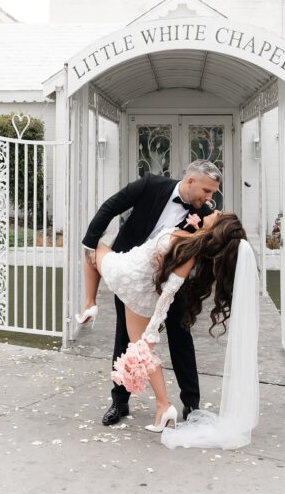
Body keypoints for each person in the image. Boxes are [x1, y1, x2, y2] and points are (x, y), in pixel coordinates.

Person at [80, 211, 260, 449]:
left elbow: (168, 294)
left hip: (128, 276)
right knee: (140, 349)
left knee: (91, 248)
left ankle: (89, 303)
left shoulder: (189, 249)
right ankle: (163, 407)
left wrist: (153, 331)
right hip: (141, 289)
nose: (214, 210)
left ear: (218, 227)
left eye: (218, 214)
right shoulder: (195, 243)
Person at [78, 161, 221, 426]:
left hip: (168, 281)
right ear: (190, 181)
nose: (210, 198)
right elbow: (110, 207)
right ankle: (119, 402)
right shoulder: (150, 184)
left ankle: (192, 405)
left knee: (181, 335)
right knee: (126, 337)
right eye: (207, 191)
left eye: (213, 193)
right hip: (131, 271)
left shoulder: (205, 214)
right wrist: (89, 244)